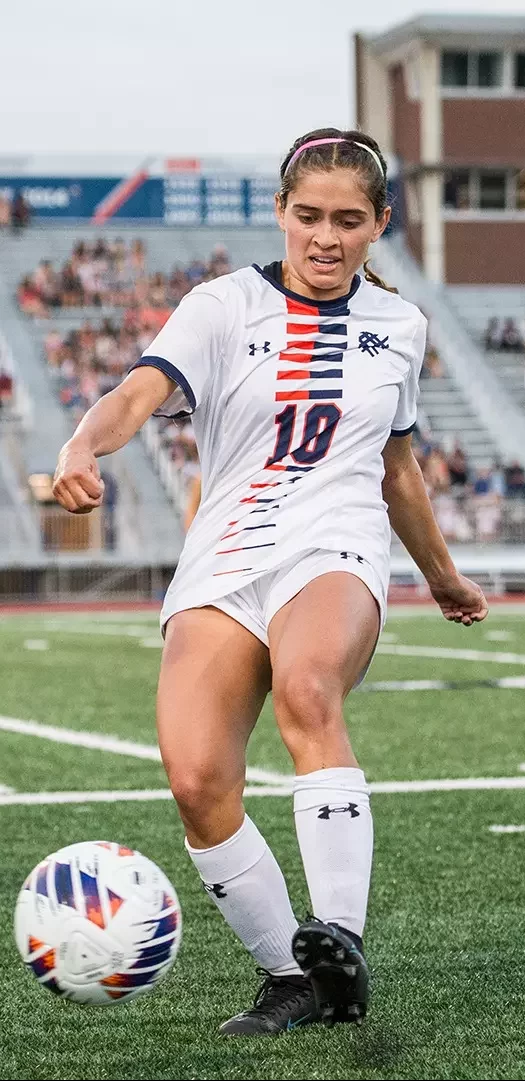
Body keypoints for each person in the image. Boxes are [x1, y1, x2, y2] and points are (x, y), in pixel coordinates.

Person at [51, 127, 488, 1035]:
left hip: (335, 545)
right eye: (308, 216)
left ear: (379, 225)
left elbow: (397, 469)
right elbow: (135, 393)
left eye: (347, 220)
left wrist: (441, 575)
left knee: (307, 688)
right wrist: (83, 442)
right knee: (197, 779)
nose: (325, 237)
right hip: (224, 557)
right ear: (281, 214)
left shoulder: (400, 326)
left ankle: (341, 933)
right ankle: (296, 974)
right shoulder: (220, 307)